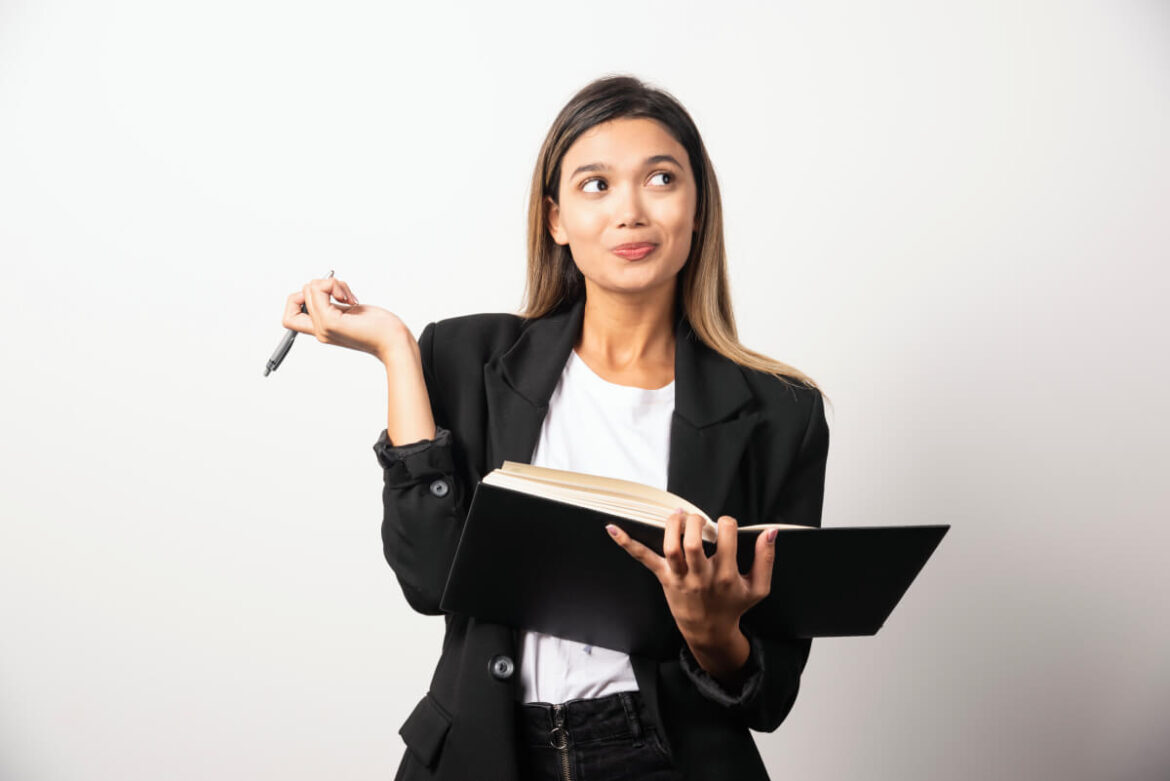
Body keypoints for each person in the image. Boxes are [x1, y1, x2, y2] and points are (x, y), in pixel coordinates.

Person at [282, 74, 830, 781]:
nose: (630, 211)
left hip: (670, 757)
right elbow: (430, 580)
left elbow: (771, 692)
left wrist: (711, 632)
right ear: (556, 219)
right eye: (595, 185)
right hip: (487, 753)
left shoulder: (782, 410)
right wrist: (394, 347)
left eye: (660, 178)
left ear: (698, 209)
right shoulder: (463, 357)